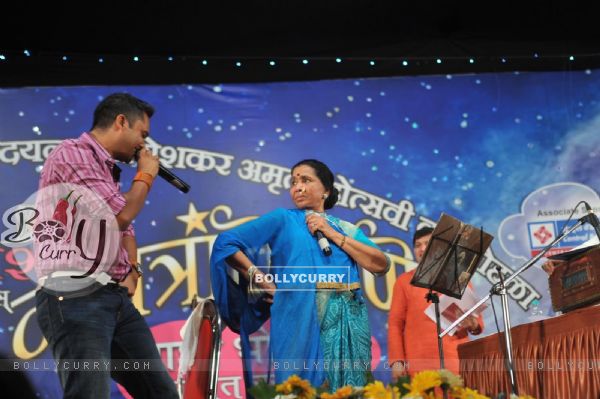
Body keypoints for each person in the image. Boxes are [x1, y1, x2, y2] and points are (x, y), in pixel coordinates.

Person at [35, 93, 178, 398]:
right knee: (91, 393)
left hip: (112, 297)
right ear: (121, 121)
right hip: (74, 294)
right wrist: (146, 174)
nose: (144, 146)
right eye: (143, 135)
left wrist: (133, 269)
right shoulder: (73, 155)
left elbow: (126, 227)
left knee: (161, 391)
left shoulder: (104, 167)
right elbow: (118, 216)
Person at [210, 159, 390, 392]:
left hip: (345, 323)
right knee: (298, 390)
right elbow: (226, 243)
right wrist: (262, 280)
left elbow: (380, 264)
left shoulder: (345, 228)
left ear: (325, 190)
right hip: (297, 319)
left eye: (306, 180)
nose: (298, 187)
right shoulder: (283, 219)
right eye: (294, 181)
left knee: (351, 392)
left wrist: (330, 232)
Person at [387, 227, 483, 379]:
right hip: (418, 363)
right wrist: (397, 361)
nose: (422, 248)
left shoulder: (458, 278)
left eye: (427, 243)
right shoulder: (404, 282)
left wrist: (473, 323)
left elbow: (477, 323)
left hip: (456, 360)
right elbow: (395, 324)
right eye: (418, 245)